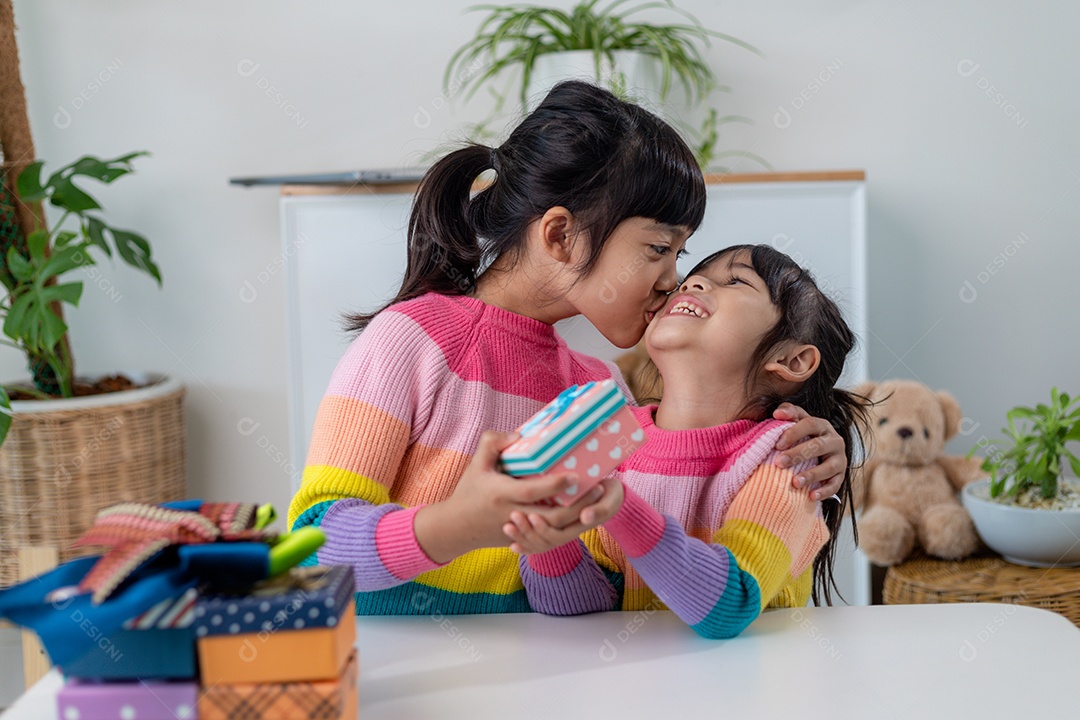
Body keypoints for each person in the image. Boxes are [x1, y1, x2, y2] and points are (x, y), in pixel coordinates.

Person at [286, 81, 848, 616]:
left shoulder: (602, 392)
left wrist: (819, 440)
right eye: (658, 247)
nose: (672, 280)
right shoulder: (411, 340)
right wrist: (456, 526)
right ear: (560, 236)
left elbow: (596, 594)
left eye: (681, 253)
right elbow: (312, 546)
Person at [507, 244, 868, 638]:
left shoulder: (786, 456)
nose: (690, 282)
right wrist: (546, 538)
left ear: (792, 361)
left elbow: (731, 605)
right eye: (695, 276)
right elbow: (584, 609)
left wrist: (616, 505)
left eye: (736, 281)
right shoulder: (614, 439)